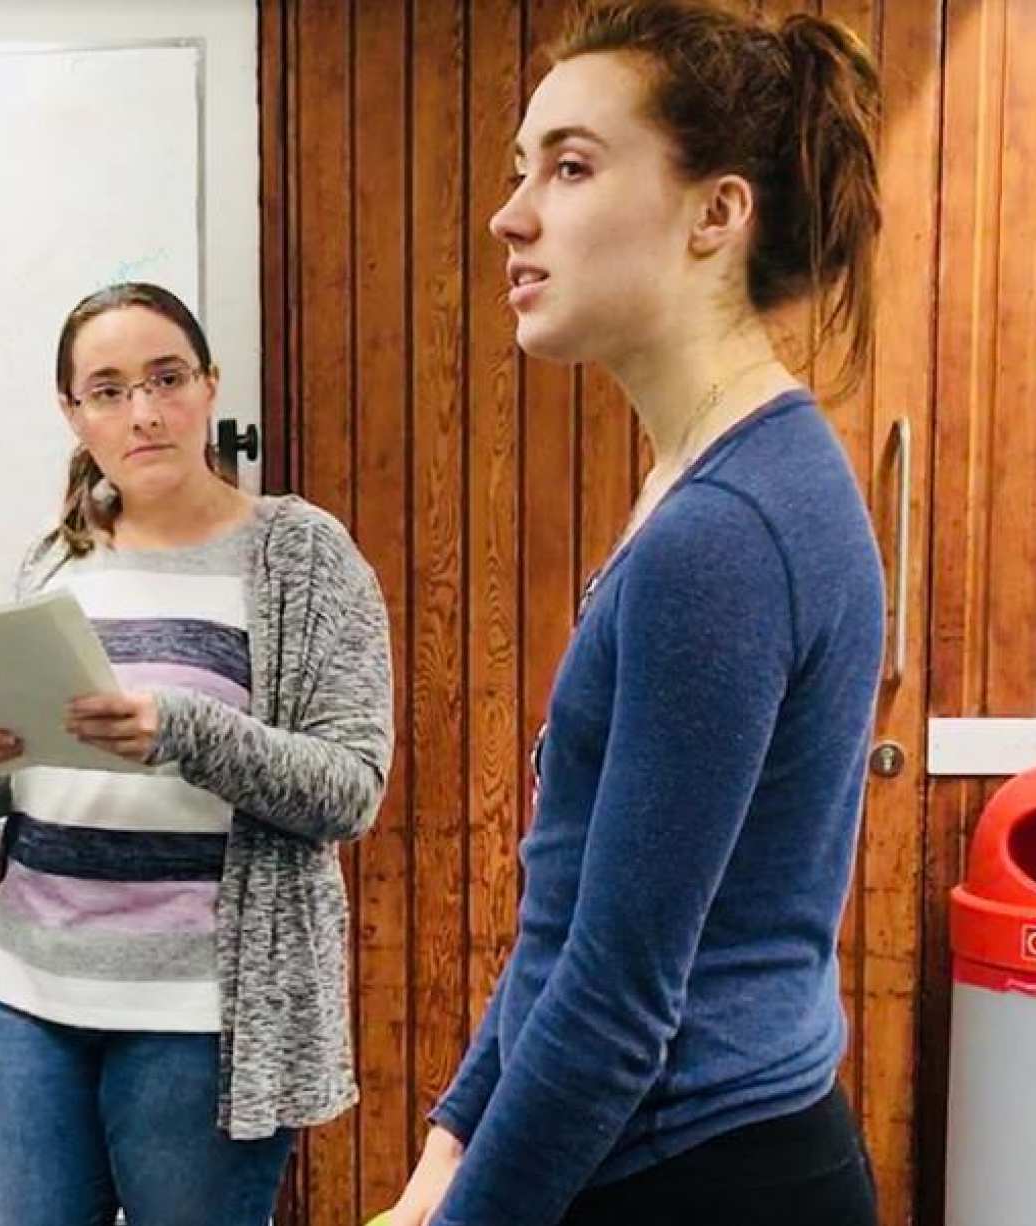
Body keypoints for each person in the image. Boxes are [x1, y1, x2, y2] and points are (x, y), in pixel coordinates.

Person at [383, 4, 885, 1225]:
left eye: (568, 167)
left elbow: (611, 1005)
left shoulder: (723, 532)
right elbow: (566, 921)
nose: (509, 216)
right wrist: (448, 1144)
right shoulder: (718, 480)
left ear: (715, 213)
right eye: (519, 169)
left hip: (697, 1172)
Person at [0, 282, 394, 1225]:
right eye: (107, 390)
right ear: (73, 413)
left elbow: (350, 789)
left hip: (200, 1014)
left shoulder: (299, 555)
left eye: (166, 379)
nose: (142, 412)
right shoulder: (56, 558)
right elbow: (11, 795)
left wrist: (183, 730)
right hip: (31, 991)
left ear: (209, 385)